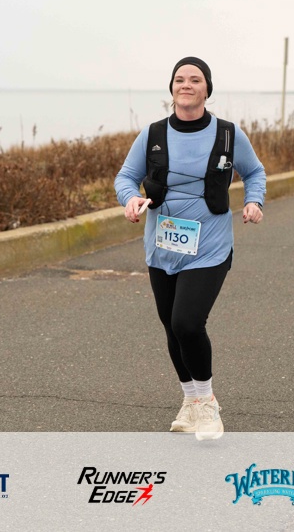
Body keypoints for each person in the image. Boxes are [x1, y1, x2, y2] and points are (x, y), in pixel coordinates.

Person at [114, 57, 266, 440]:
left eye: (195, 80)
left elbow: (254, 172)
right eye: (180, 79)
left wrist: (254, 201)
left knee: (187, 322)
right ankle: (190, 401)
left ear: (207, 89)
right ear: (171, 88)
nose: (187, 85)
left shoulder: (228, 134)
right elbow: (126, 177)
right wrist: (130, 199)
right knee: (170, 325)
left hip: (210, 244)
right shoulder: (152, 134)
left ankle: (208, 404)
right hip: (162, 245)